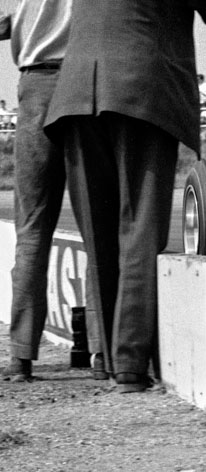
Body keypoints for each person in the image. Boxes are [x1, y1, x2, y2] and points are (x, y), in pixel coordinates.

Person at [43, 0, 206, 393]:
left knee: (98, 239)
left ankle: (110, 358)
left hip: (76, 93)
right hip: (142, 88)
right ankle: (131, 364)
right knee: (140, 231)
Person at [0, 0, 73, 382]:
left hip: (36, 83)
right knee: (99, 227)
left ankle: (21, 355)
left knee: (31, 229)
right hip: (86, 82)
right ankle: (102, 354)